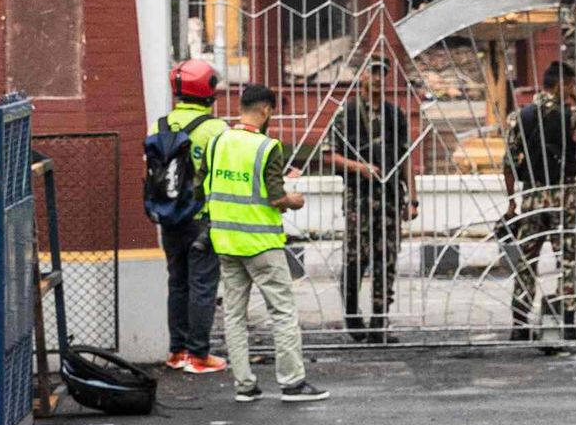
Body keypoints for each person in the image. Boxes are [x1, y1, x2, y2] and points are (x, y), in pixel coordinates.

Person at [206, 83, 326, 404]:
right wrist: (294, 200)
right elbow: (276, 197)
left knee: (234, 314)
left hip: (226, 241)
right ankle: (292, 383)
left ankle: (244, 385)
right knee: (283, 311)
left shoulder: (217, 142)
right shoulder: (267, 147)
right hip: (261, 243)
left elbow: (208, 186)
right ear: (267, 110)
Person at [320, 51, 416, 345]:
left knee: (386, 259)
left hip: (388, 197)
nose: (376, 79)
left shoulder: (394, 114)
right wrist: (358, 167)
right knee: (355, 259)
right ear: (361, 76)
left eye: (381, 74)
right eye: (371, 72)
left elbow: (404, 158)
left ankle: (379, 322)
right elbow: (328, 155)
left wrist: (412, 197)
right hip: (358, 197)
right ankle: (352, 316)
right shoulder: (346, 113)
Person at [146, 58, 223, 375]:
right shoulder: (216, 129)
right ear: (207, 90)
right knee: (202, 284)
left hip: (168, 216)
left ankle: (177, 352)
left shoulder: (159, 125)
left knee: (177, 283)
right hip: (201, 218)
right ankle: (199, 355)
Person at [502, 63, 576, 343]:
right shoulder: (571, 115)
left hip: (533, 196)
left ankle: (520, 323)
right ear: (563, 85)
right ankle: (567, 321)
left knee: (526, 260)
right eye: (571, 85)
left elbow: (509, 163)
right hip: (564, 197)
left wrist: (512, 202)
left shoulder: (519, 116)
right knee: (568, 260)